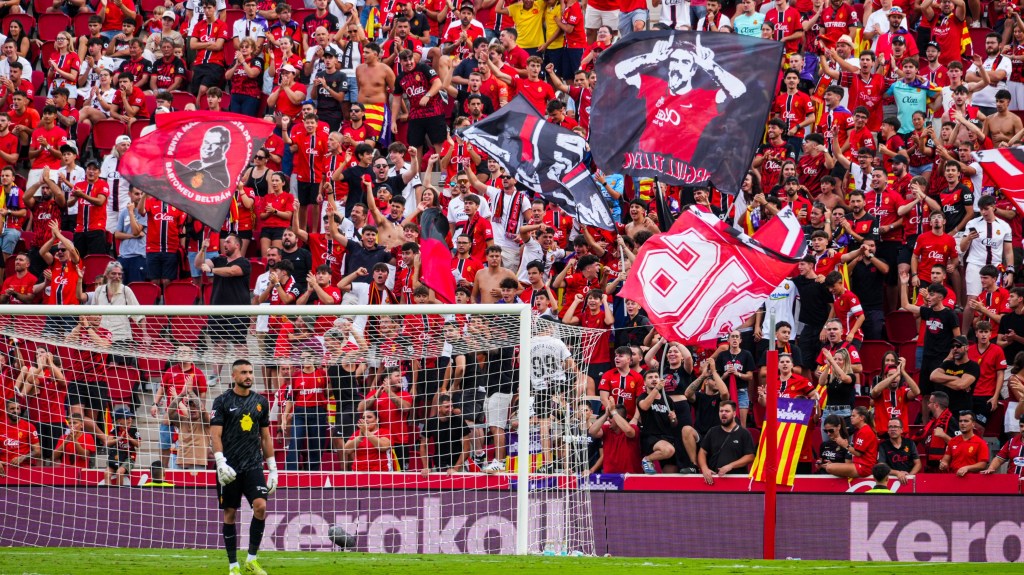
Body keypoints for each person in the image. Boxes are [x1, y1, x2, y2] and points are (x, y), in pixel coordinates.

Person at [211, 359, 276, 575]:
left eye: (250, 372)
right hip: (229, 467)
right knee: (230, 513)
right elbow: (215, 435)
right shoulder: (222, 401)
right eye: (244, 372)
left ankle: (251, 560)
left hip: (253, 465)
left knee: (261, 507)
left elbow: (265, 437)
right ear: (234, 376)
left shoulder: (260, 402)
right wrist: (220, 462)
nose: (248, 376)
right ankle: (233, 566)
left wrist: (272, 468)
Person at [697, 400, 755, 485]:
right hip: (714, 480)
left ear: (734, 414)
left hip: (737, 480)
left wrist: (731, 466)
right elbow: (702, 452)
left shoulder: (744, 433)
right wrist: (704, 468)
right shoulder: (712, 431)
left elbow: (750, 456)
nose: (723, 413)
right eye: (721, 411)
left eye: (727, 411)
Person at [636, 371, 678, 474]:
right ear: (644, 383)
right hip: (651, 436)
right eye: (650, 377)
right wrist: (656, 389)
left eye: (656, 377)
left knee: (671, 473)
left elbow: (674, 424)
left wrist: (673, 418)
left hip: (668, 437)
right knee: (668, 450)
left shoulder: (667, 399)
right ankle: (647, 459)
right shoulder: (642, 397)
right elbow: (644, 406)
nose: (654, 379)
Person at [418, 394, 470, 475]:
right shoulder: (431, 422)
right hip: (439, 465)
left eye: (451, 406)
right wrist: (426, 467)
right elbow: (423, 445)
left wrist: (455, 469)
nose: (450, 409)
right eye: (447, 407)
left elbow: (466, 448)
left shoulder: (459, 420)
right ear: (439, 408)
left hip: (458, 465)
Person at [821, 406, 877, 478]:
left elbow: (858, 453)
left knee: (829, 468)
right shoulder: (861, 430)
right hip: (858, 464)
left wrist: (845, 445)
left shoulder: (865, 431)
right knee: (830, 465)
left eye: (853, 416)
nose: (851, 417)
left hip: (864, 467)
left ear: (862, 418)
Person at [930, 335, 980, 415]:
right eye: (953, 346)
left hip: (962, 411)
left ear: (967, 347)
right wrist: (956, 378)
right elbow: (933, 376)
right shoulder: (947, 363)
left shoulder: (973, 366)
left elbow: (960, 385)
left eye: (958, 346)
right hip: (945, 410)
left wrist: (941, 380)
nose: (955, 348)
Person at [587, 404, 641, 473]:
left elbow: (628, 431)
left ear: (619, 417)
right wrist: (606, 415)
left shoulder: (633, 427)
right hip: (610, 477)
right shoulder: (606, 429)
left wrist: (614, 412)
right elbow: (591, 431)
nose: (608, 419)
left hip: (630, 476)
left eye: (610, 417)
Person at [939, 411, 990, 476]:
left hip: (972, 479)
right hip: (953, 477)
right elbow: (945, 460)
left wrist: (967, 468)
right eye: (960, 421)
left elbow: (983, 464)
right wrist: (943, 464)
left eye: (966, 421)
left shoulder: (981, 443)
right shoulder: (953, 441)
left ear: (973, 424)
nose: (962, 423)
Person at [102, 405, 141, 487]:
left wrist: (129, 438)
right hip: (116, 456)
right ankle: (107, 493)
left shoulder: (134, 429)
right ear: (119, 420)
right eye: (126, 418)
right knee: (106, 473)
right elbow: (107, 443)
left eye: (130, 417)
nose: (130, 419)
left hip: (129, 457)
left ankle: (118, 493)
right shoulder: (115, 429)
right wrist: (118, 439)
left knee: (119, 472)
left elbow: (138, 444)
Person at [878, 418, 922, 484]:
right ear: (888, 430)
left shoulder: (910, 443)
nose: (892, 429)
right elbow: (881, 466)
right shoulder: (883, 445)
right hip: (890, 480)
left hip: (908, 479)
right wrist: (897, 473)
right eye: (890, 427)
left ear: (901, 430)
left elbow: (918, 464)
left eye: (895, 427)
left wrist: (909, 476)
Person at [1, 398, 41, 469]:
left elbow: (37, 452)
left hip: (24, 467)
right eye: (12, 409)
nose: (15, 411)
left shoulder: (29, 426)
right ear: (6, 410)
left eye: (18, 408)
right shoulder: (1, 426)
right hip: (4, 467)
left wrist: (22, 457)